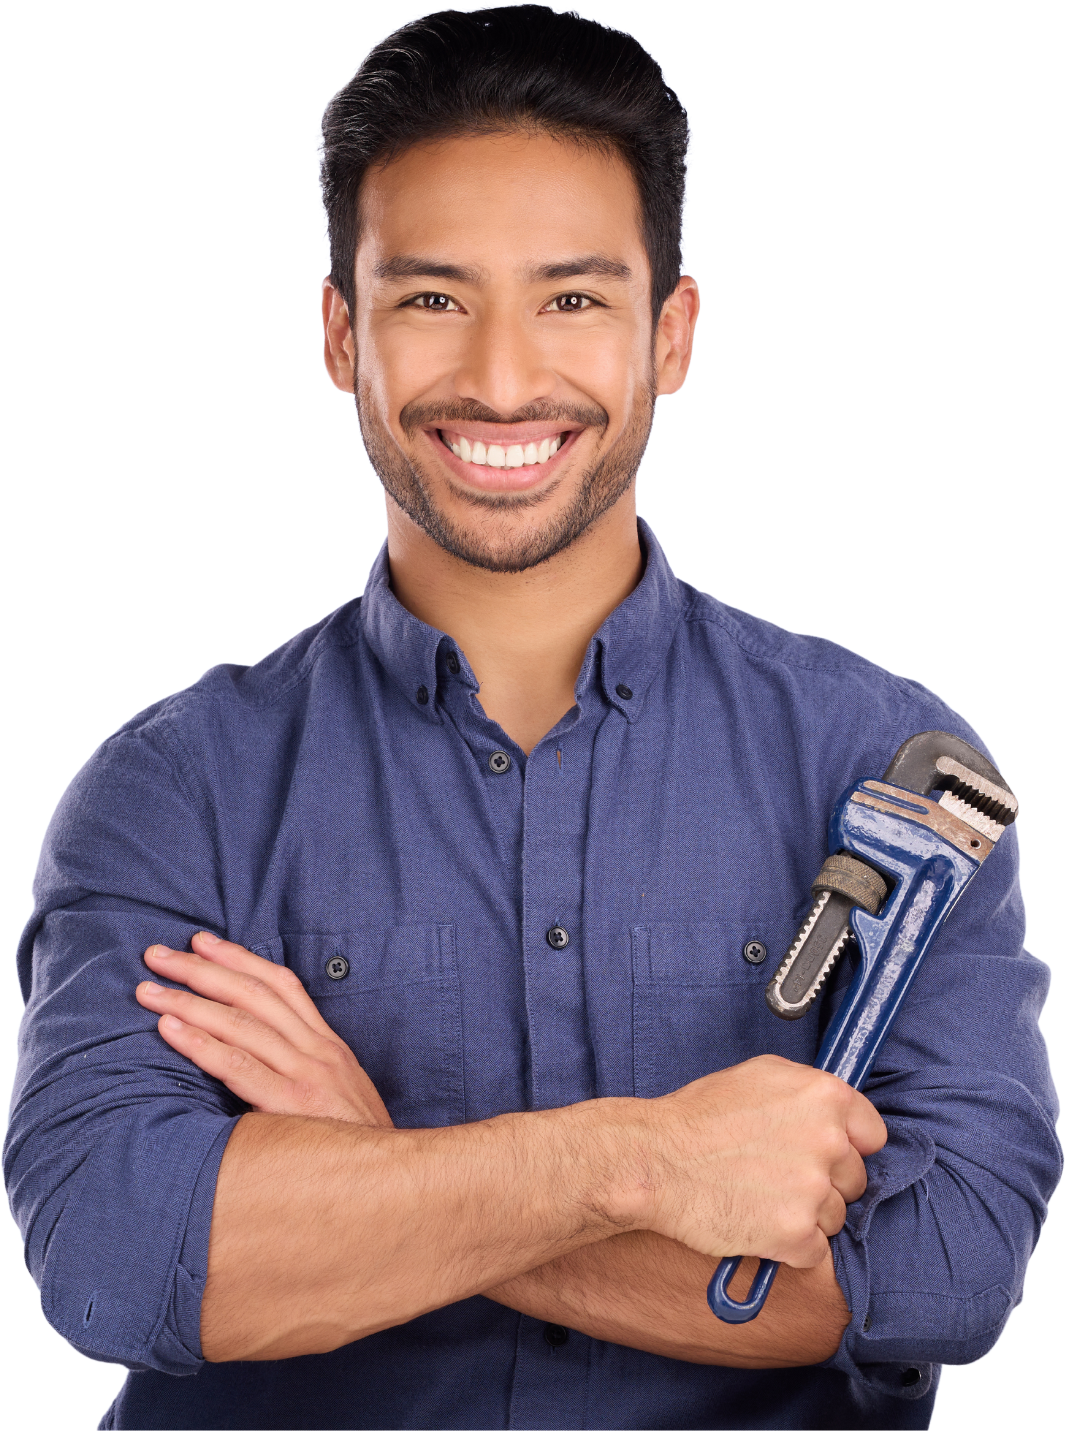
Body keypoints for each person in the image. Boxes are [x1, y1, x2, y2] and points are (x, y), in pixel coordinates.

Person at [5, 8, 1059, 1430]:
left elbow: (940, 1272)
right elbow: (121, 1258)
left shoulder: (893, 762)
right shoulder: (172, 789)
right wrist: (636, 1164)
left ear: (672, 333)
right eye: (433, 299)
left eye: (572, 298)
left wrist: (370, 1161)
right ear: (340, 332)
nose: (502, 378)